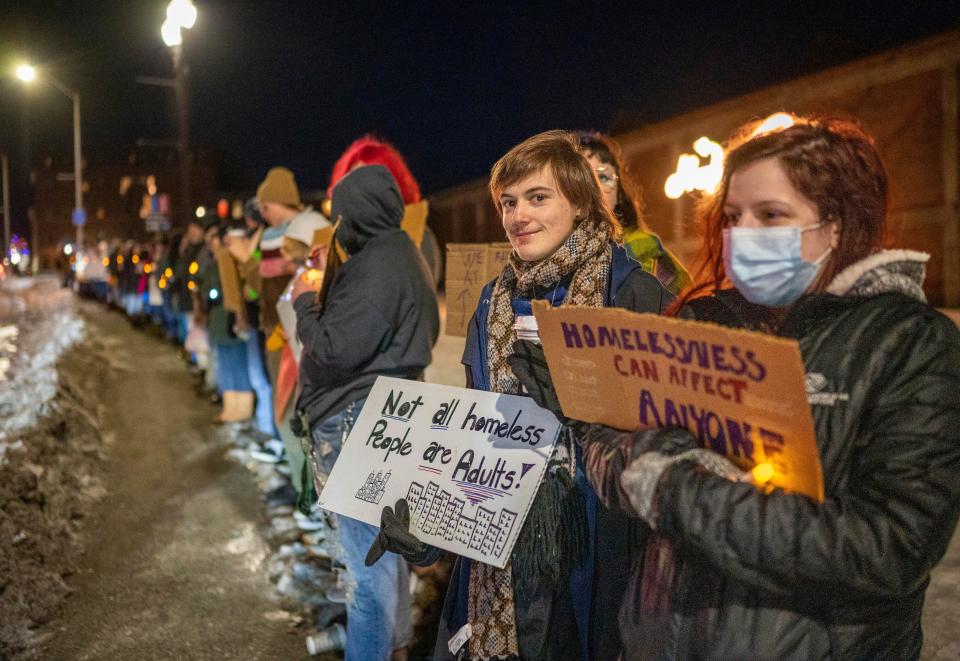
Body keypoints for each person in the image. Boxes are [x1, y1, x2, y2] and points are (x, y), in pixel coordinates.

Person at [514, 115, 960, 660]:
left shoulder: (908, 344)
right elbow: (618, 459)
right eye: (732, 217)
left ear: (837, 224)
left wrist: (678, 487)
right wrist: (588, 411)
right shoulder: (703, 320)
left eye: (771, 215)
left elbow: (888, 547)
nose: (742, 233)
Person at [371, 131, 673, 660]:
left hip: (600, 552)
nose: (517, 216)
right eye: (508, 202)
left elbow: (672, 440)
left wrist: (582, 405)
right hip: (502, 552)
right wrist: (432, 531)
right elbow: (480, 435)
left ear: (580, 202)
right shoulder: (494, 302)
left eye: (538, 198)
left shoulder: (634, 294)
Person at [292, 164, 439, 661]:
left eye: (341, 215)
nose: (338, 226)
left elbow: (331, 348)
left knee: (365, 566)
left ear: (357, 212)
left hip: (359, 423)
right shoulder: (401, 255)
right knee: (386, 548)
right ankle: (393, 648)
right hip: (381, 418)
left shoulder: (379, 266)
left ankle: (372, 651)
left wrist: (305, 301)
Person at [577, 132, 690, 296]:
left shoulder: (645, 253)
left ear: (619, 192)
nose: (597, 189)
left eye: (603, 177)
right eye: (583, 180)